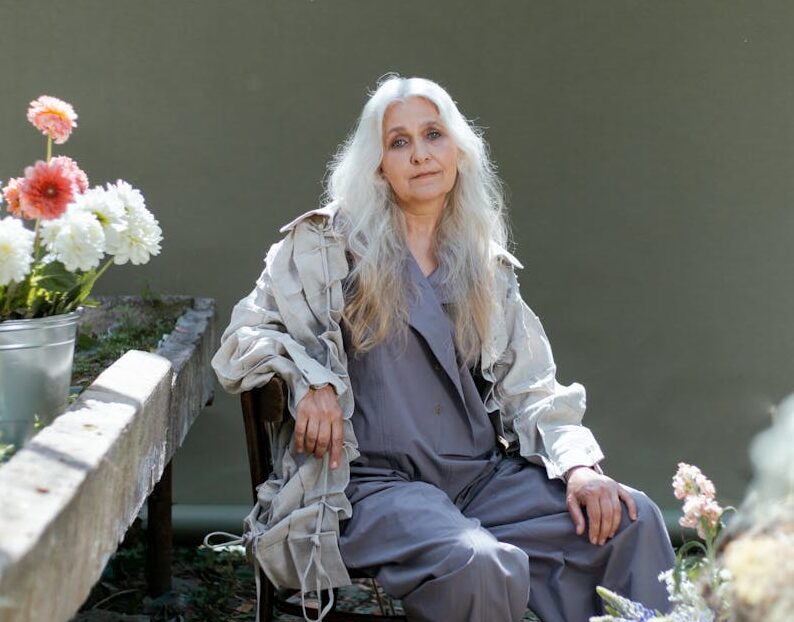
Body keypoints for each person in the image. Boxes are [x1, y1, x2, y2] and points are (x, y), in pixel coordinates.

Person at [210, 74, 675, 622]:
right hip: (372, 487)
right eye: (399, 142)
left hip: (479, 478)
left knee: (630, 520)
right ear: (377, 162)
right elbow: (245, 337)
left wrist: (579, 468)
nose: (420, 155)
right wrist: (311, 379)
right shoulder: (326, 246)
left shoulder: (480, 260)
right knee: (477, 563)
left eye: (433, 134)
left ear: (458, 149)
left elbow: (532, 385)